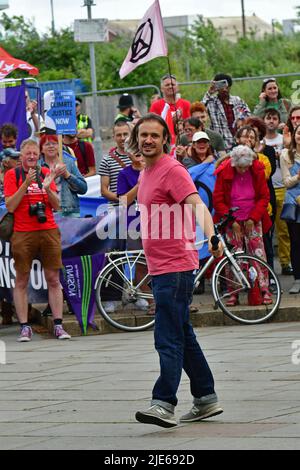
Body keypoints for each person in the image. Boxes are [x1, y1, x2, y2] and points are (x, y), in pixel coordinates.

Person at [129, 113, 223, 428]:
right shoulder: (147, 169)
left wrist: (211, 235)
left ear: (166, 139)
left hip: (175, 266)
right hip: (160, 267)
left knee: (167, 336)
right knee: (183, 333)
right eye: (144, 135)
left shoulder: (172, 169)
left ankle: (164, 403)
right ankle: (206, 398)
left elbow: (198, 205)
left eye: (154, 135)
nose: (148, 140)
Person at [4, 139, 71, 342]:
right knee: (22, 279)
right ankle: (25, 327)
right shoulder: (12, 175)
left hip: (48, 229)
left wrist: (48, 186)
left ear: (38, 155)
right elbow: (10, 206)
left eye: (34, 154)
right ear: (21, 156)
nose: (31, 157)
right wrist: (26, 184)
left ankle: (58, 325)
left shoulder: (44, 172)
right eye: (28, 154)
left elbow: (58, 206)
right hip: (23, 232)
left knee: (53, 278)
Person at [213, 145, 272, 306]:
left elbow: (264, 196)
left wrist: (253, 217)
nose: (243, 170)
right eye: (239, 167)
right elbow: (218, 199)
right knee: (234, 255)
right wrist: (232, 222)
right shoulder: (224, 170)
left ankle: (264, 289)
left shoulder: (257, 169)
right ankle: (234, 291)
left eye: (245, 167)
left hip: (253, 216)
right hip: (232, 218)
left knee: (258, 253)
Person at [263, 109, 292, 275]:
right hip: (268, 189)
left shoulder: (284, 140)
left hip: (283, 187)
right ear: (264, 120)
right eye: (268, 118)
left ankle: (285, 262)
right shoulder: (260, 141)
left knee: (284, 230)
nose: (271, 121)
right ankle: (267, 266)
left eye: (274, 118)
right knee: (267, 230)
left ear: (278, 121)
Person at [39, 134, 87, 217]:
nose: (51, 146)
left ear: (59, 146)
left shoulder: (69, 162)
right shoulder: (37, 166)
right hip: (46, 212)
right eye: (47, 144)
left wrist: (67, 175)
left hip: (70, 212)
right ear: (41, 149)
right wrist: (52, 177)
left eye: (54, 143)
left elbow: (83, 189)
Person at [202, 73, 250, 151]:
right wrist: (209, 92)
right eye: (221, 87)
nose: (224, 90)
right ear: (217, 87)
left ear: (229, 86)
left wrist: (242, 119)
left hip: (239, 143)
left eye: (227, 87)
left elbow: (247, 113)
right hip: (221, 146)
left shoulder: (237, 100)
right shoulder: (211, 102)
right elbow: (199, 110)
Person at [280, 124, 300, 294]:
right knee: (295, 242)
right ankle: (297, 279)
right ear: (294, 135)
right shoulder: (286, 154)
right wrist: (298, 177)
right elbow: (286, 182)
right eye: (299, 133)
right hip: (294, 203)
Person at [149, 74, 191, 144]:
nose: (170, 86)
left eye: (173, 84)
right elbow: (151, 126)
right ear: (162, 89)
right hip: (164, 143)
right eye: (167, 85)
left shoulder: (186, 104)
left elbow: (190, 125)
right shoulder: (155, 106)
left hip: (183, 143)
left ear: (177, 87)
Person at [99, 121, 132, 207]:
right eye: (119, 135)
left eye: (125, 134)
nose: (122, 138)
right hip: (116, 209)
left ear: (130, 135)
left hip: (139, 208)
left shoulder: (140, 157)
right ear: (114, 137)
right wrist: (125, 200)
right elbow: (104, 191)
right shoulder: (107, 160)